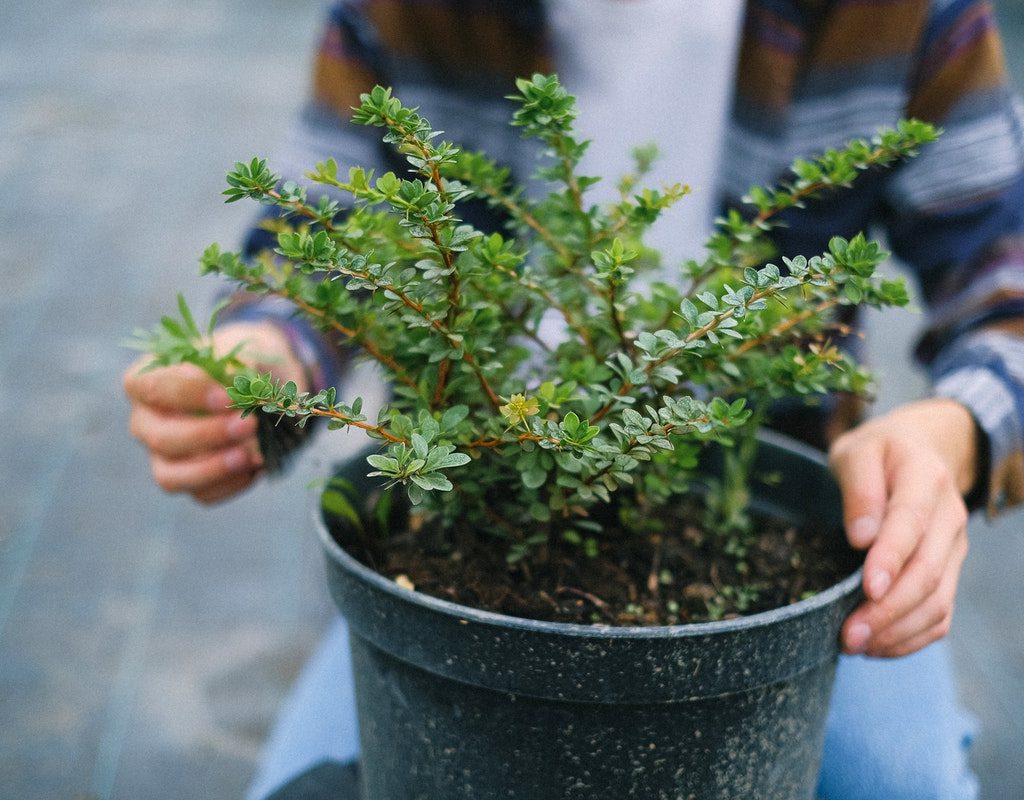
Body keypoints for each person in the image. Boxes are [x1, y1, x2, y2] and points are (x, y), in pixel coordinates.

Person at [123, 1, 1024, 797]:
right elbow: (312, 238)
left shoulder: (910, 14)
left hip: (774, 510)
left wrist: (952, 435)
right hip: (462, 506)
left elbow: (1007, 294)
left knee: (901, 783)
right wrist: (262, 358)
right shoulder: (396, 10)